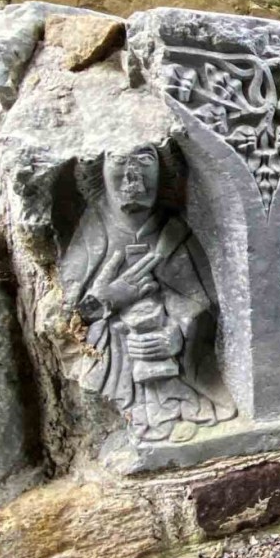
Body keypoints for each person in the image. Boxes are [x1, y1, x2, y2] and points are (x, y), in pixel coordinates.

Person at [60, 144, 234, 442]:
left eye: (145, 159)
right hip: (117, 366)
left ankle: (172, 406)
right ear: (98, 172)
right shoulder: (92, 235)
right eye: (119, 160)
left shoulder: (175, 232)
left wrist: (177, 334)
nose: (133, 177)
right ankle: (133, 414)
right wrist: (108, 299)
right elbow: (65, 319)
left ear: (162, 171)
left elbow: (206, 304)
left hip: (169, 360)